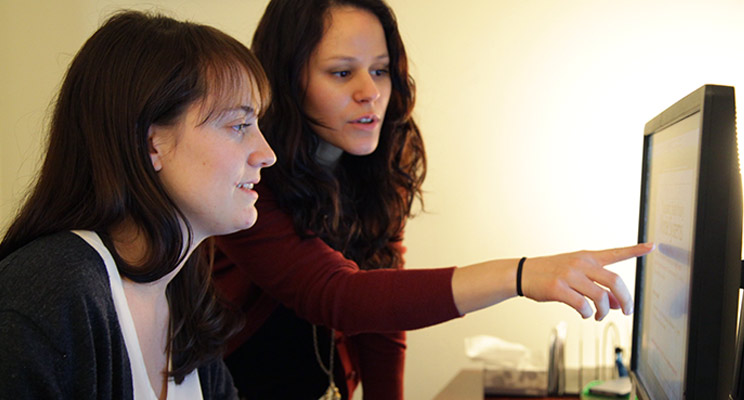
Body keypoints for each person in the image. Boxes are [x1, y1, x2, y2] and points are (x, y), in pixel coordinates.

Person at [211, 0, 652, 399]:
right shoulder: (247, 178)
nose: (371, 91)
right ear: (289, 81)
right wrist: (519, 275)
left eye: (380, 69)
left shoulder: (378, 169)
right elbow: (338, 295)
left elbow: (381, 320)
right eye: (342, 72)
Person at [0, 10, 276, 399]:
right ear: (151, 144)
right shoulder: (50, 290)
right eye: (239, 126)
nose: (266, 153)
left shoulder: (184, 299)